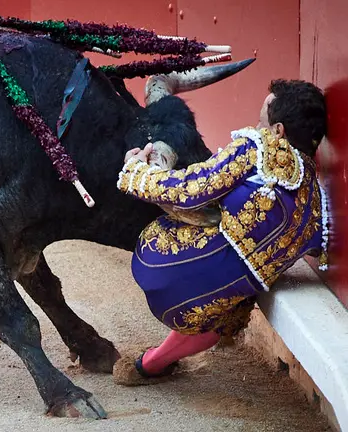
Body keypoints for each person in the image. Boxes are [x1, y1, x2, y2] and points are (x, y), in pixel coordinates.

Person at [112, 79, 329, 385]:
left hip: (164, 269)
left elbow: (192, 189)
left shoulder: (260, 148)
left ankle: (151, 364)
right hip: (211, 304)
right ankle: (150, 364)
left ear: (278, 132)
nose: (256, 128)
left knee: (189, 213)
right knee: (237, 302)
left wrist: (136, 172)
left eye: (260, 123)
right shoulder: (316, 205)